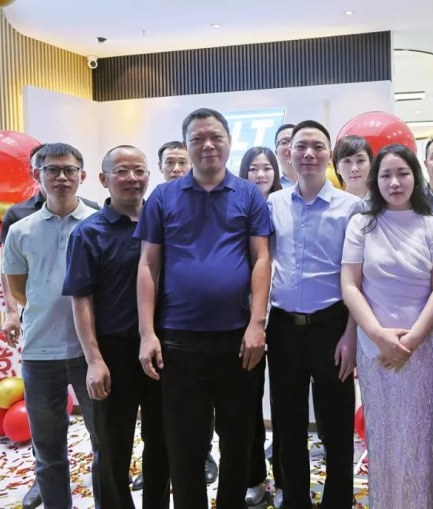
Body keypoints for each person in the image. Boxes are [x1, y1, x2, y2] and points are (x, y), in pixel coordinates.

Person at [136, 107, 272, 508]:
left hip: (238, 340)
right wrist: (147, 333)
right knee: (185, 442)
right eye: (197, 139)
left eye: (216, 137)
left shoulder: (248, 194)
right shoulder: (163, 197)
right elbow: (148, 265)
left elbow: (261, 259)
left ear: (230, 142)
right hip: (179, 339)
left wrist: (257, 324)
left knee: (238, 438)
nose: (208, 145)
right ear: (186, 145)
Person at [341, 144, 433, 508]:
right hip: (375, 351)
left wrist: (413, 340)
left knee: (421, 443)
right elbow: (350, 285)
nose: (395, 182)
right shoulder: (361, 224)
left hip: (422, 352)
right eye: (386, 175)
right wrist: (378, 336)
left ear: (415, 177)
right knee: (384, 442)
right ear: (375, 180)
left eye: (402, 173)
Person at [63, 145, 170, 509]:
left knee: (162, 440)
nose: (132, 178)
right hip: (113, 352)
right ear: (103, 179)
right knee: (112, 445)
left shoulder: (163, 225)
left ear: (149, 176)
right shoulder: (88, 233)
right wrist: (94, 359)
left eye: (139, 171)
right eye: (122, 171)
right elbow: (81, 300)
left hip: (162, 349)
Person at [266, 120, 361, 509]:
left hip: (332, 327)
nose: (308, 154)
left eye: (318, 147)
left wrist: (351, 335)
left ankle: (337, 500)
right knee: (288, 424)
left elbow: (360, 278)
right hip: (283, 329)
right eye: (301, 146)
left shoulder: (351, 208)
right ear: (288, 154)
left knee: (336, 425)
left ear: (330, 156)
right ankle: (295, 500)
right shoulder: (273, 204)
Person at [2, 142, 101, 508]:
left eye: (69, 170)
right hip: (39, 353)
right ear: (36, 175)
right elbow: (19, 289)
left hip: (91, 352)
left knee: (104, 443)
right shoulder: (20, 230)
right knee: (48, 450)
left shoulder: (98, 221)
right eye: (52, 170)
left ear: (82, 176)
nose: (61, 177)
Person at [237, 145, 282, 506]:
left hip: (282, 315)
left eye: (267, 168)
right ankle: (254, 477)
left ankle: (284, 476)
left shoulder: (286, 206)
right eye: (253, 168)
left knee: (284, 403)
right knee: (247, 403)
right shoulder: (236, 207)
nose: (260, 174)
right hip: (243, 318)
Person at [333, 135, 372, 199]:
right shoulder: (331, 204)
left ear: (371, 164)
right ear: (337, 168)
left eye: (360, 160)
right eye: (347, 161)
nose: (354, 169)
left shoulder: (383, 202)